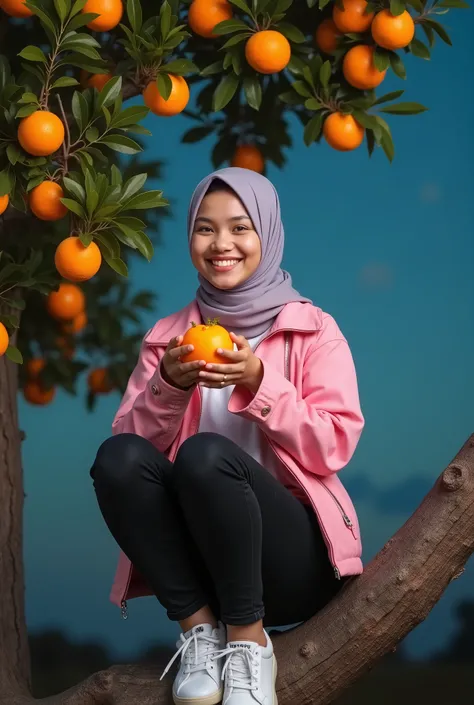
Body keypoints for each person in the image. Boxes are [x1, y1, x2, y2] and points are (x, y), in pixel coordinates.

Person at [90, 167, 365, 705]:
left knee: (205, 455)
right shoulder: (169, 341)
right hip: (206, 566)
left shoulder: (313, 329)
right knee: (116, 457)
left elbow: (335, 443)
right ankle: (199, 630)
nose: (222, 245)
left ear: (268, 233)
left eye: (240, 228)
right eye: (205, 229)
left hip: (289, 563)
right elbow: (127, 455)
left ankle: (248, 644)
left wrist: (261, 384)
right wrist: (168, 385)